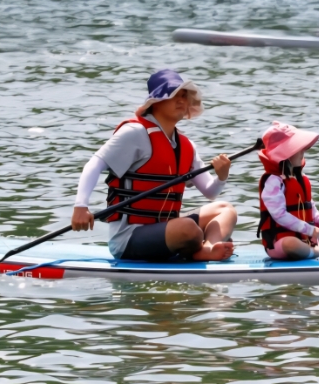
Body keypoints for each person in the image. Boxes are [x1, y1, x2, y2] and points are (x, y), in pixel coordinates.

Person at [71, 69, 237, 262]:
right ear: (156, 100)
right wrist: (80, 207)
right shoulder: (134, 133)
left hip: (168, 228)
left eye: (184, 96)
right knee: (188, 228)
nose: (182, 100)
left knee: (226, 210)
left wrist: (222, 176)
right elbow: (94, 164)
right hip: (129, 237)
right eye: (174, 95)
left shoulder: (186, 145)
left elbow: (210, 192)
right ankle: (197, 248)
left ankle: (208, 248)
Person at [257, 121, 319, 260]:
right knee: (291, 244)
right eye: (297, 148)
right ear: (284, 156)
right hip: (279, 243)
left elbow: (313, 211)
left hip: (305, 238)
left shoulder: (300, 179)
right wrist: (310, 230)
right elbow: (279, 215)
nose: (302, 152)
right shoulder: (273, 181)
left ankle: (313, 248)